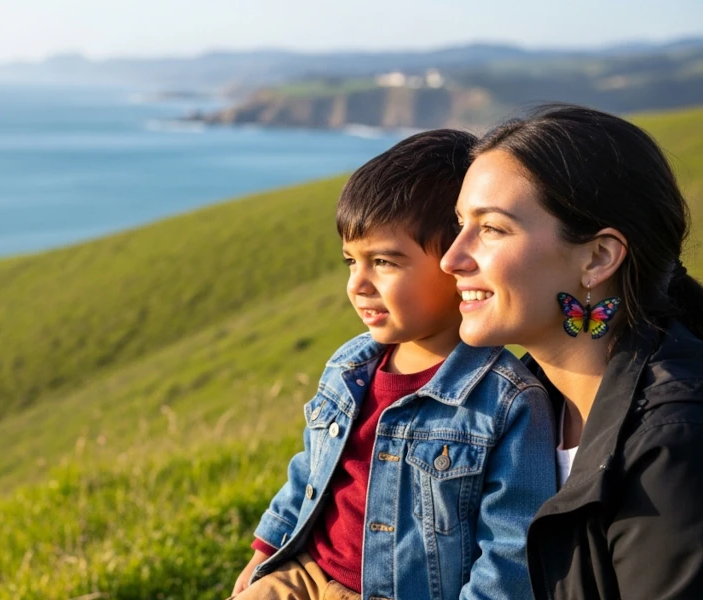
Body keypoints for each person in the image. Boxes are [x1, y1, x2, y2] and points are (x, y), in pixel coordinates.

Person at [230, 129, 557, 600]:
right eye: (350, 261)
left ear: (459, 260)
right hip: (303, 572)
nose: (357, 284)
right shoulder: (350, 365)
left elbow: (510, 547)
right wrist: (268, 549)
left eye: (383, 261)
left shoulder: (508, 402)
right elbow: (310, 468)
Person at [441, 103, 703, 599]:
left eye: (491, 228)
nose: (452, 258)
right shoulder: (518, 403)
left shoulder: (674, 448)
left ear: (598, 257)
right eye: (460, 224)